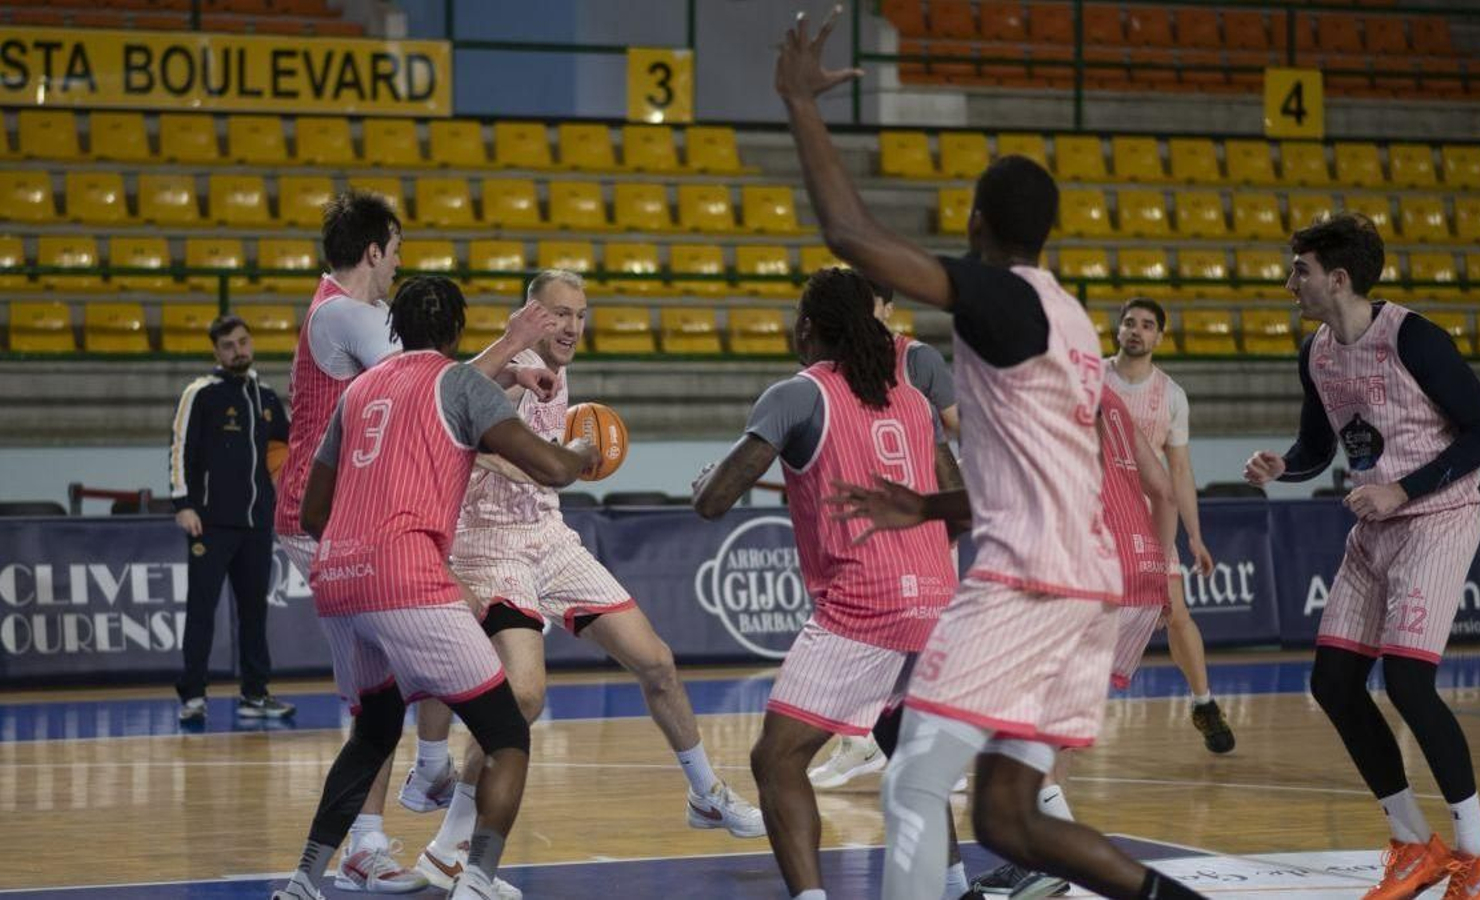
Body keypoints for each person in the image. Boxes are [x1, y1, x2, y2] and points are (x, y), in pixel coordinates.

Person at [773, 11, 1203, 900]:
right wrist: (929, 508)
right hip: (1086, 589)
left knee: (912, 782)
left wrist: (799, 106)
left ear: (974, 221)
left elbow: (851, 240)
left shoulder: (1002, 301)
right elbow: (1047, 478)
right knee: (1010, 821)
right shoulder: (1075, 321)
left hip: (1027, 586)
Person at [412, 269, 764, 892]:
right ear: (530, 314)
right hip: (490, 549)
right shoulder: (501, 367)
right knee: (520, 699)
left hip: (550, 540)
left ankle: (706, 793)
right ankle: (447, 847)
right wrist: (553, 468)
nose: (572, 326)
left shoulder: (558, 369)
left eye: (580, 313)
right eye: (559, 314)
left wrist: (563, 465)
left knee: (656, 661)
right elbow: (464, 443)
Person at [269, 275, 597, 900]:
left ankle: (302, 882)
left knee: (372, 731)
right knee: (506, 731)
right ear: (455, 330)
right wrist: (584, 448)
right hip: (405, 575)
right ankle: (475, 880)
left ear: (394, 330)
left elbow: (314, 512)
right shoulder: (462, 383)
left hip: (337, 576)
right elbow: (553, 468)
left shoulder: (359, 389)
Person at [1244, 213, 1480, 899]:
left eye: (1298, 270)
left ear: (1336, 278)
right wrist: (1284, 465)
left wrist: (1404, 489)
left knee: (1407, 683)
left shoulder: (1414, 337)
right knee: (1332, 683)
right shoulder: (1317, 352)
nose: (1288, 283)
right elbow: (1317, 447)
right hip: (1375, 522)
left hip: (1438, 516)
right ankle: (1411, 842)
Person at [692, 267, 965, 900]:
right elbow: (958, 506)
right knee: (903, 745)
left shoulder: (795, 395)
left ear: (808, 326)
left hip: (865, 607)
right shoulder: (915, 400)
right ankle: (957, 889)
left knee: (776, 759)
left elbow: (715, 502)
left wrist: (706, 479)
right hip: (935, 599)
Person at [961, 388, 1179, 899]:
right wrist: (1161, 570)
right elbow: (1164, 493)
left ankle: (1057, 859)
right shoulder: (1115, 399)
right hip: (1144, 574)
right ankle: (1031, 857)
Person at [806, 279, 959, 792]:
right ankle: (864, 742)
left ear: (888, 309)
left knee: (924, 651)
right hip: (868, 529)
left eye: (868, 304)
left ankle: (928, 755)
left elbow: (955, 430)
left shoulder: (917, 360)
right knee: (868, 648)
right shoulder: (828, 370)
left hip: (922, 523)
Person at [1104, 297, 1234, 753]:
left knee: (1176, 613)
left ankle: (1204, 702)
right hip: (1095, 515)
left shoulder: (1171, 395)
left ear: (1160, 336)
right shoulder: (1093, 380)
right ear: (1118, 330)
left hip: (1147, 518)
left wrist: (1193, 536)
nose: (1136, 330)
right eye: (1129, 323)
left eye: (1146, 325)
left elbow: (1179, 472)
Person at [170, 314, 293, 722]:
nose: (238, 350)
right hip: (210, 522)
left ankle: (255, 695)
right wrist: (182, 503)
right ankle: (193, 696)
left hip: (257, 524)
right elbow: (179, 449)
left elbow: (287, 451)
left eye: (243, 341)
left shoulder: (267, 395)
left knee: (254, 612)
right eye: (228, 345)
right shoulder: (199, 393)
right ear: (216, 351)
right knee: (202, 609)